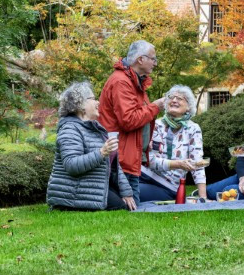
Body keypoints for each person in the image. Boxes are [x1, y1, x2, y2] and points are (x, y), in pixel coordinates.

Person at [47, 81, 136, 211]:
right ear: (80, 104)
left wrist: (126, 192)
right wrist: (101, 152)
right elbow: (71, 165)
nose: (98, 102)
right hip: (73, 194)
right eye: (93, 99)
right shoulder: (69, 128)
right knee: (120, 207)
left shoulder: (95, 127)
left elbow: (113, 164)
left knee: (130, 204)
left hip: (91, 188)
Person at [98, 40, 165, 205]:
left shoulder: (135, 81)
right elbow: (129, 120)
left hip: (130, 156)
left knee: (133, 207)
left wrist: (144, 142)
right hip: (121, 160)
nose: (155, 63)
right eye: (153, 58)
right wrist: (156, 107)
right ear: (140, 60)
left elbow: (137, 117)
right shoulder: (121, 81)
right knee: (129, 208)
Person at [139, 84, 208, 202]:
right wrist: (178, 164)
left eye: (180, 98)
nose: (174, 100)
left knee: (131, 191)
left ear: (188, 107)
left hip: (167, 186)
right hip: (144, 175)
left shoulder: (193, 129)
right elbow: (148, 159)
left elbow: (197, 164)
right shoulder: (156, 125)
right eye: (171, 97)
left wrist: (203, 198)